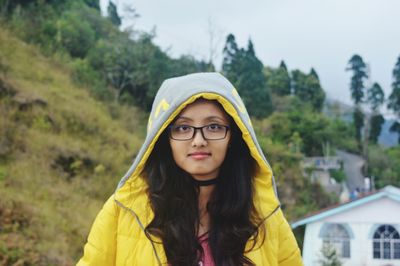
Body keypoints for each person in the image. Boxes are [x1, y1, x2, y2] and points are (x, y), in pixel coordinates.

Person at [77, 72, 302, 265]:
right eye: (183, 128)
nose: (198, 140)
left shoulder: (264, 215)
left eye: (213, 126)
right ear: (164, 138)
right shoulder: (124, 210)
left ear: (234, 135)